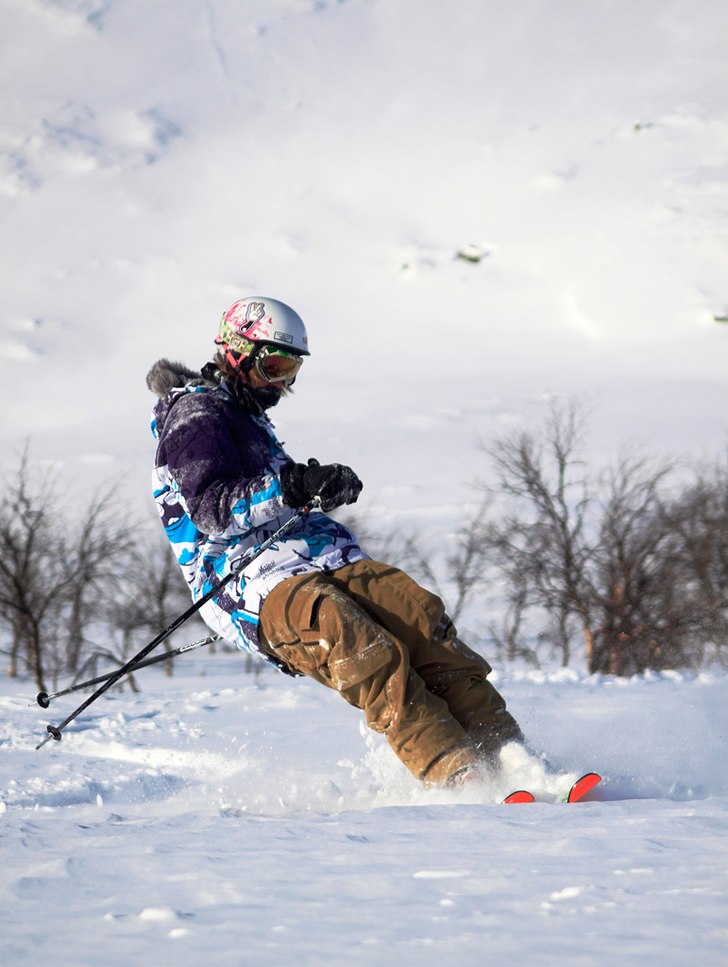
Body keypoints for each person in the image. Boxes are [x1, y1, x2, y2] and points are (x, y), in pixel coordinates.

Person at [146, 296, 525, 788]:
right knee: (359, 644)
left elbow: (279, 496)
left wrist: (320, 486)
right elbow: (215, 512)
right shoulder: (195, 417)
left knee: (418, 616)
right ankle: (459, 773)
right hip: (246, 583)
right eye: (274, 366)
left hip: (314, 557)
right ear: (238, 352)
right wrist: (291, 486)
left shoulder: (245, 414)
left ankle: (512, 760)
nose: (282, 385)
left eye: (292, 370)